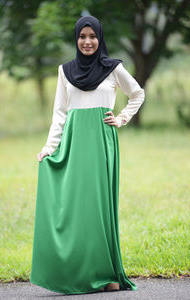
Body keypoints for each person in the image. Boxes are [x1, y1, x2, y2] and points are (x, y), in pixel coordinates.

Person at [30, 15, 145, 295]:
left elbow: (137, 94)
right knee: (76, 209)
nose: (87, 41)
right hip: (73, 142)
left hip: (101, 143)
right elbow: (60, 114)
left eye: (92, 36)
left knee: (98, 208)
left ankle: (106, 274)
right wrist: (49, 147)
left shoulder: (113, 68)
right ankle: (76, 271)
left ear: (100, 38)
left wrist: (122, 118)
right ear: (76, 39)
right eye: (82, 36)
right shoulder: (65, 70)